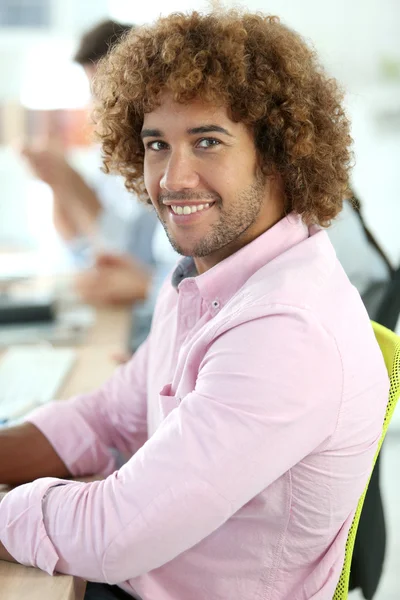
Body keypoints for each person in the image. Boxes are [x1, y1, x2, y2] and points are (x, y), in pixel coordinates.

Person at [0, 10, 390, 600]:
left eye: (207, 141)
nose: (174, 177)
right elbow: (112, 416)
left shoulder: (288, 329)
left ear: (279, 153)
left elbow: (112, 532)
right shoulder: (207, 280)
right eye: (157, 144)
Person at [21, 20, 159, 301]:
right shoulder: (111, 156)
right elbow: (77, 241)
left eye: (107, 93)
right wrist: (57, 180)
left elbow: (122, 250)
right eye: (94, 93)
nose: (98, 107)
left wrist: (68, 179)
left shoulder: (158, 157)